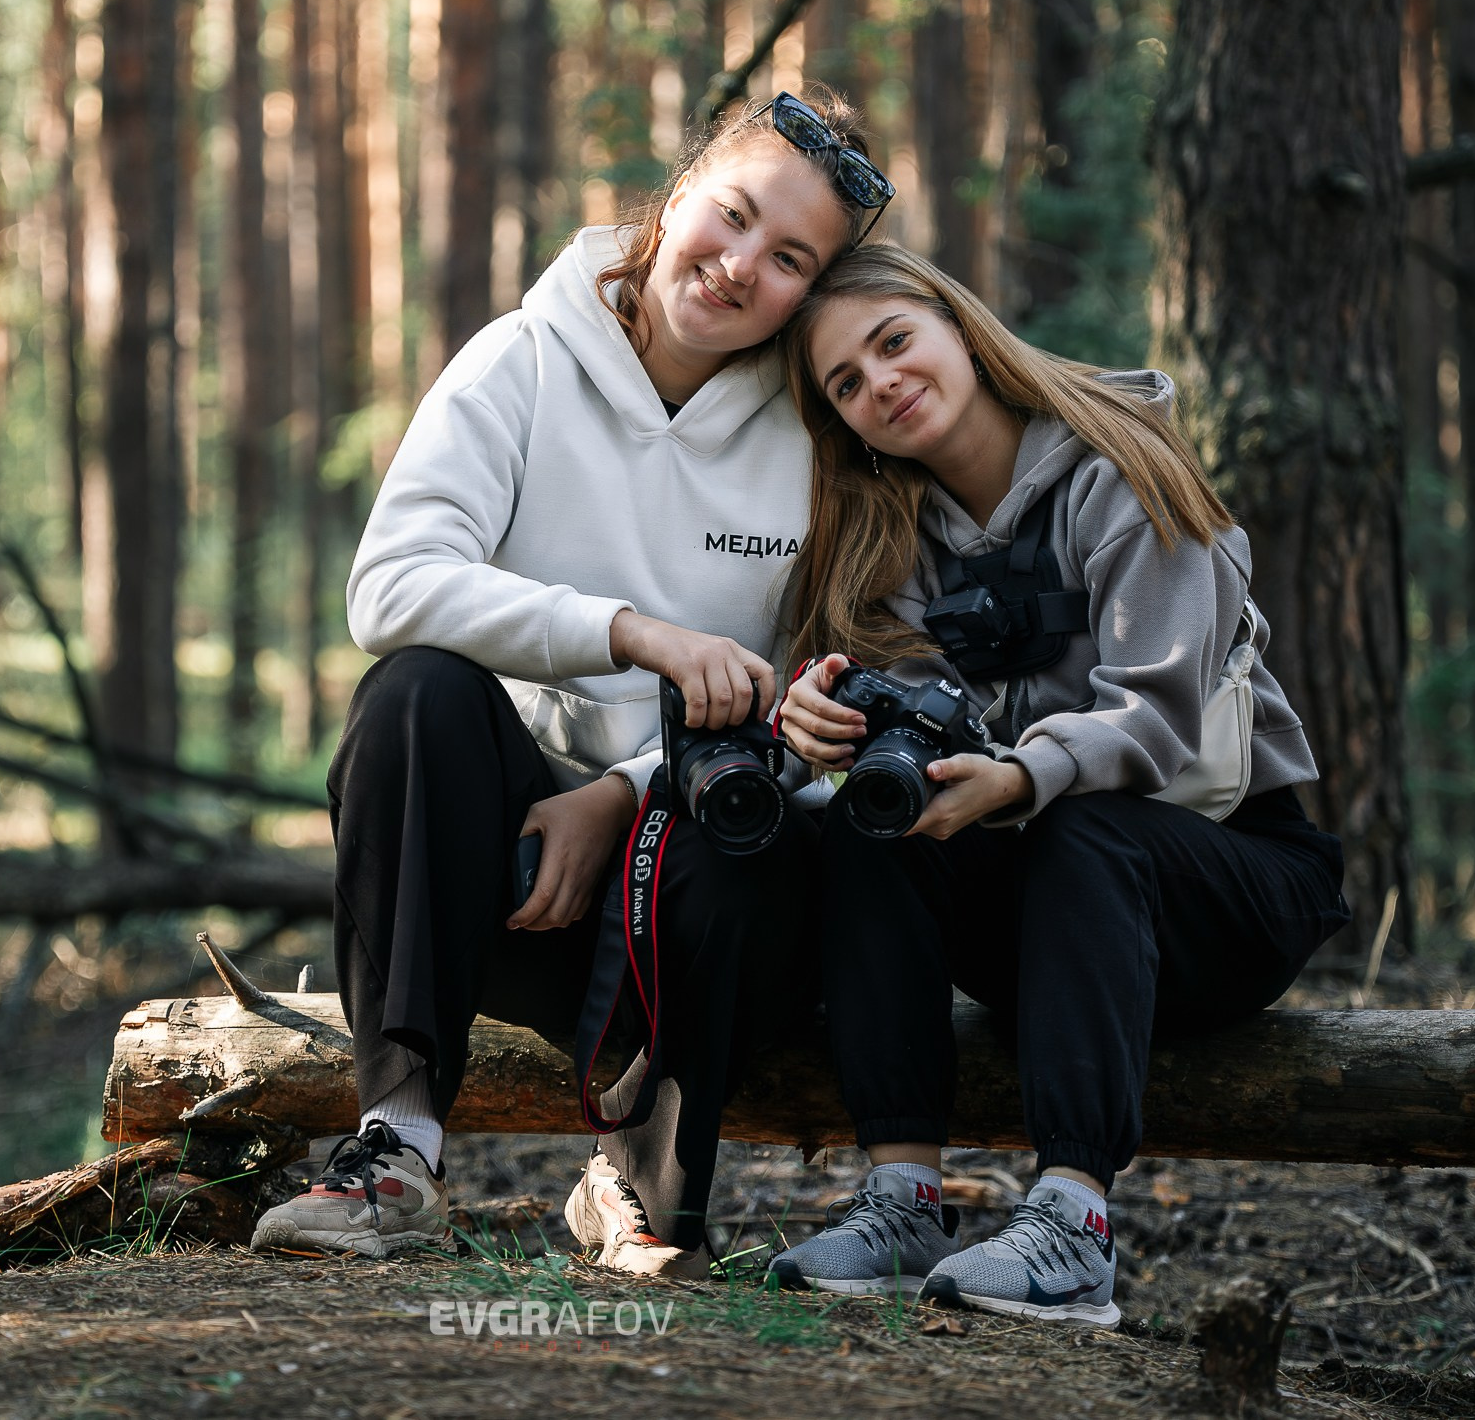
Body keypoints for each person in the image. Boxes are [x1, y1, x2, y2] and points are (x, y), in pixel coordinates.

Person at [249, 89, 895, 1270]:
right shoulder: (523, 357)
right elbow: (387, 586)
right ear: (677, 195)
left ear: (815, 289)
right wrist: (628, 632)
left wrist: (627, 794)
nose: (740, 265)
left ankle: (644, 1183)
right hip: (498, 884)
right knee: (414, 697)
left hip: (690, 883)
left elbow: (822, 698)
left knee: (757, 837)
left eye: (790, 256)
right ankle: (394, 1144)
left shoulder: (817, 437)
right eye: (733, 214)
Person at [762, 244, 1348, 1323]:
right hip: (1054, 921)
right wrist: (824, 725)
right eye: (845, 383)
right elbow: (908, 743)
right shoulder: (889, 540)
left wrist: (1021, 776)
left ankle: (1074, 1222)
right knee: (866, 829)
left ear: (960, 328)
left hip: (1231, 881)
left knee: (1087, 826)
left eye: (893, 341)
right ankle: (901, 1197)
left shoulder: (1120, 467)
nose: (879, 383)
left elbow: (1158, 717)